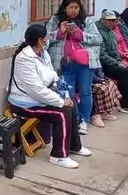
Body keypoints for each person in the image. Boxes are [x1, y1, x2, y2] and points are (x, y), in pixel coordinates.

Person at [7, 24, 93, 169]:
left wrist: (61, 88)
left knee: (70, 104)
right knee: (62, 112)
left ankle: (74, 146)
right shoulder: (24, 59)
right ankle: (58, 156)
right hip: (23, 103)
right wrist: (60, 101)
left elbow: (52, 74)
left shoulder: (43, 53)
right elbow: (37, 90)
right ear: (40, 40)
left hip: (37, 99)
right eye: (45, 37)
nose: (47, 40)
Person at [45, 0, 104, 132]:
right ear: (64, 8)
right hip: (64, 63)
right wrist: (60, 32)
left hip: (84, 62)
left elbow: (98, 39)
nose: (73, 10)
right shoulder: (55, 20)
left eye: (76, 7)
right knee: (67, 93)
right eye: (70, 7)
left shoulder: (86, 20)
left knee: (85, 91)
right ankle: (72, 121)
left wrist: (80, 34)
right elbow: (45, 39)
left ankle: (84, 121)